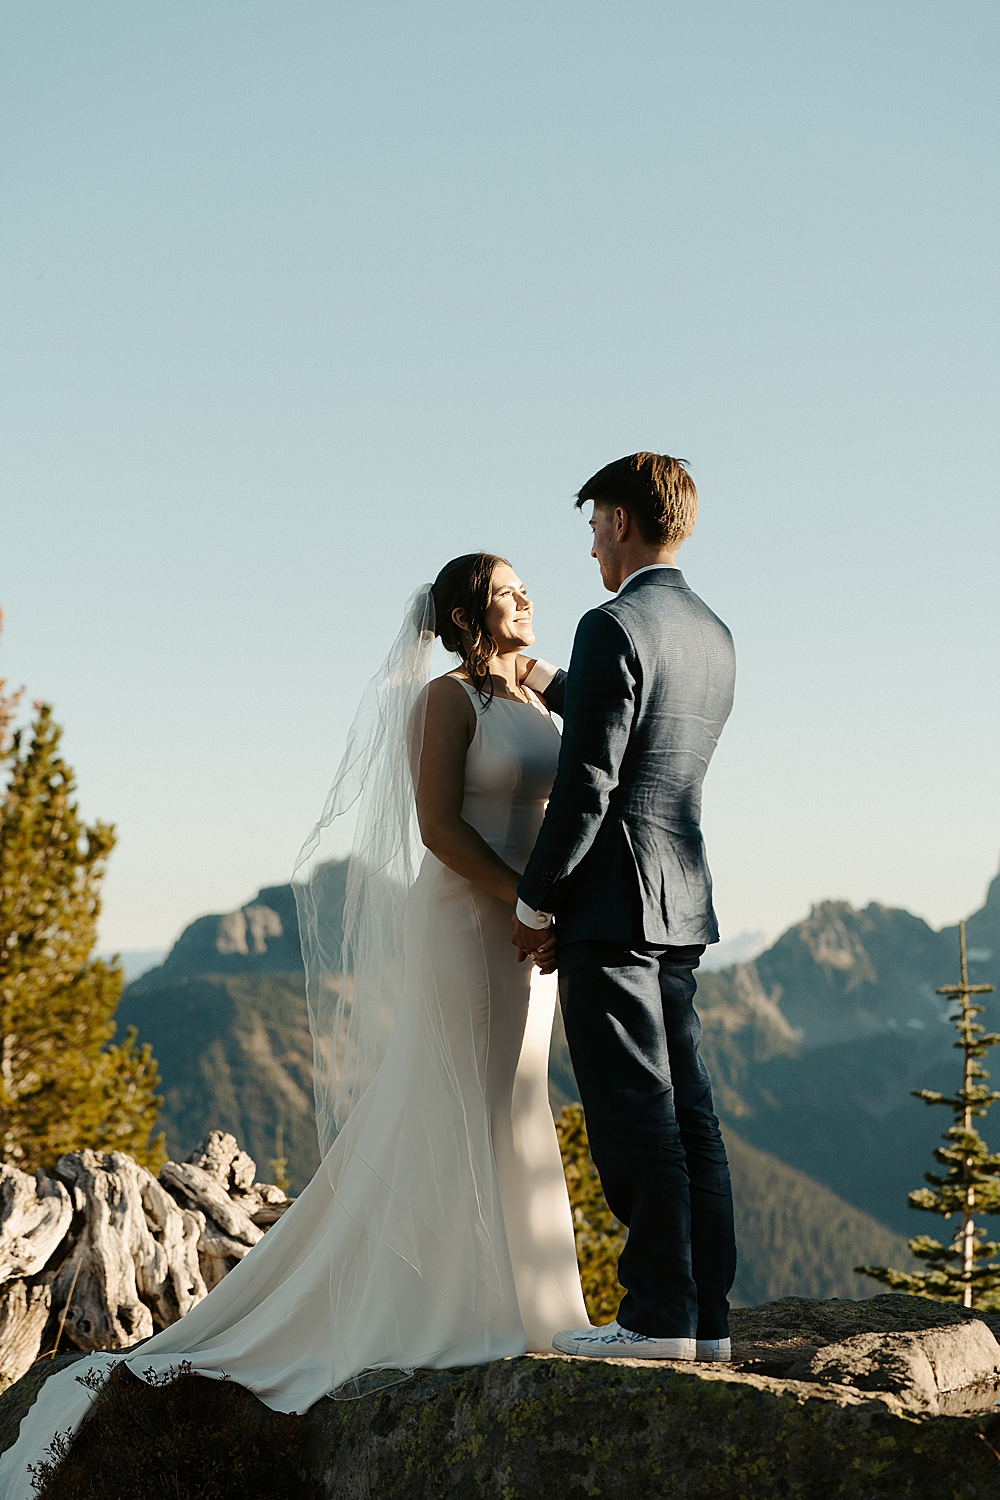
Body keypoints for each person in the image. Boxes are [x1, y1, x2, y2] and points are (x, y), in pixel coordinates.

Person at [0, 552, 589, 1499]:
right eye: (512, 591)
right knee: (471, 1101)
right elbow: (438, 827)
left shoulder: (538, 684)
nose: (530, 599)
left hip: (534, 926)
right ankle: (471, 1308)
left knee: (517, 1101)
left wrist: (551, 902)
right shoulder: (445, 703)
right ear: (471, 612)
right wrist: (524, 901)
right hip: (476, 919)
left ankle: (540, 1306)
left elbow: (598, 727)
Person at [511, 452, 738, 1363]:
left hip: (611, 907)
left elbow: (591, 785)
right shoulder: (714, 633)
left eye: (593, 524)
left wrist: (535, 901)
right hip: (681, 901)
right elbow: (647, 739)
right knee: (692, 1117)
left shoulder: (610, 624)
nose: (591, 544)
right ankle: (706, 1320)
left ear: (618, 521)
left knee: (633, 1114)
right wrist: (555, 687)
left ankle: (653, 1319)